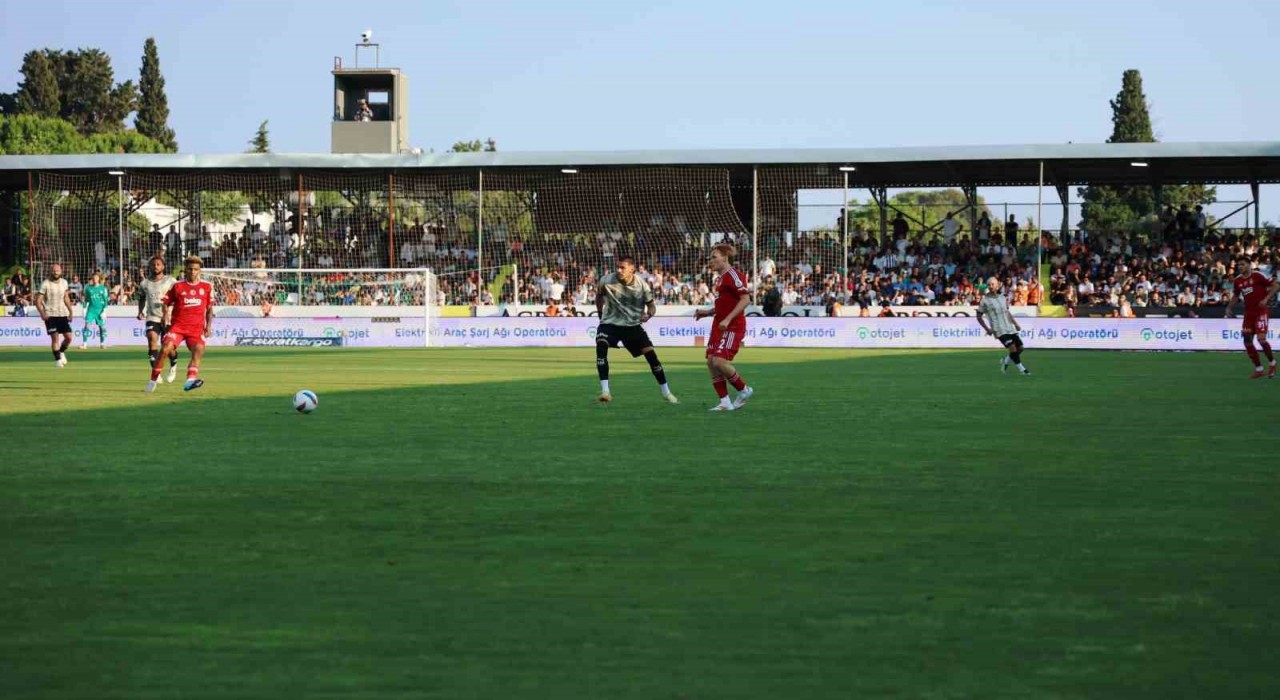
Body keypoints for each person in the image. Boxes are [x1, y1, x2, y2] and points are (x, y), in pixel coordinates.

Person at [593, 255, 678, 405]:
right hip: (610, 323)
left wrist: (648, 315)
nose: (619, 270)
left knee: (651, 356)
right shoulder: (606, 280)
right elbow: (599, 297)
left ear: (632, 269)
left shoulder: (642, 285)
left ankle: (666, 392)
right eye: (617, 267)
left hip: (632, 326)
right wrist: (601, 314)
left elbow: (652, 307)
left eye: (623, 267)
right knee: (601, 344)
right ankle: (605, 392)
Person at [694, 243, 754, 411]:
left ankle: (744, 390)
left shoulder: (734, 275)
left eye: (714, 257)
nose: (710, 261)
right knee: (711, 362)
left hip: (732, 326)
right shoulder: (720, 279)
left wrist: (727, 320)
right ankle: (725, 402)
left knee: (719, 361)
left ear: (725, 258)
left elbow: (745, 299)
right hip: (719, 325)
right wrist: (708, 312)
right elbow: (724, 305)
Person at [146, 256, 214, 393]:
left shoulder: (207, 287)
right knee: (165, 349)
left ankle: (190, 381)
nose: (193, 272)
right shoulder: (177, 286)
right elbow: (165, 302)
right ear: (185, 270)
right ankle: (153, 380)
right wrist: (165, 316)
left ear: (199, 271)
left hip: (196, 329)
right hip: (178, 327)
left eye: (196, 269)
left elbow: (209, 309)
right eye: (190, 269)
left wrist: (208, 326)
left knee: (199, 350)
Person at [1224, 257, 1278, 379]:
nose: (1240, 267)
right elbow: (1236, 295)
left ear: (1249, 265)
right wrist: (1229, 308)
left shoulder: (1258, 275)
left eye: (1242, 264)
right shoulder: (1238, 281)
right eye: (1238, 265)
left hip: (1261, 311)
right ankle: (1259, 369)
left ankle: (1272, 363)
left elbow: (1276, 286)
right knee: (1247, 341)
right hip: (1248, 314)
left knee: (1261, 340)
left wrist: (1265, 299)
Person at [976, 276, 1030, 375]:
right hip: (999, 329)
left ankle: (1005, 361)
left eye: (993, 284)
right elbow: (978, 316)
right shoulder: (985, 301)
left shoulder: (1002, 297)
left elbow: (1007, 313)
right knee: (1012, 347)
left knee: (1020, 348)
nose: (991, 286)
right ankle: (1023, 370)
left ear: (997, 285)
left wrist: (1016, 324)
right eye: (989, 284)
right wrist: (987, 328)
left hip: (1009, 327)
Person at [138, 256, 179, 383]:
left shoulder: (171, 281)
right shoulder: (145, 283)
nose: (155, 266)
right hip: (152, 316)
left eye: (158, 264)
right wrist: (140, 311)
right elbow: (141, 298)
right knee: (152, 339)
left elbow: (179, 296)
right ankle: (156, 372)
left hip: (169, 317)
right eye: (153, 264)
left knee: (169, 348)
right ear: (150, 266)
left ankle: (173, 365)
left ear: (163, 266)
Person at [35, 263, 74, 367]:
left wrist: (70, 311)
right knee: (55, 338)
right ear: (50, 271)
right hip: (50, 315)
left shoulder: (64, 283)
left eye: (57, 270)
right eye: (54, 270)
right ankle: (58, 360)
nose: (55, 272)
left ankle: (61, 352)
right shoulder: (45, 284)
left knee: (69, 338)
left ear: (61, 271)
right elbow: (38, 301)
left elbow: (66, 298)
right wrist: (42, 313)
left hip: (62, 314)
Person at [79, 272, 110, 349]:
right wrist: (84, 309)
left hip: (100, 310)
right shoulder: (88, 288)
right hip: (91, 310)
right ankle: (84, 344)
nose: (95, 279)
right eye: (93, 278)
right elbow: (86, 300)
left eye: (96, 277)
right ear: (92, 279)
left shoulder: (103, 288)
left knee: (102, 327)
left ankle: (102, 344)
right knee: (87, 326)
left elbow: (106, 300)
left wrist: (105, 311)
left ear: (98, 278)